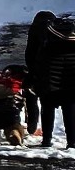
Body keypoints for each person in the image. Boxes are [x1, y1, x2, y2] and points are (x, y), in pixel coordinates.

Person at [25, 11, 75, 149]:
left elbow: (30, 54)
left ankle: (47, 141)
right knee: (70, 106)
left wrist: (34, 74)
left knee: (47, 106)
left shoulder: (38, 29)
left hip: (49, 74)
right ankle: (72, 143)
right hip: (71, 73)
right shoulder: (69, 29)